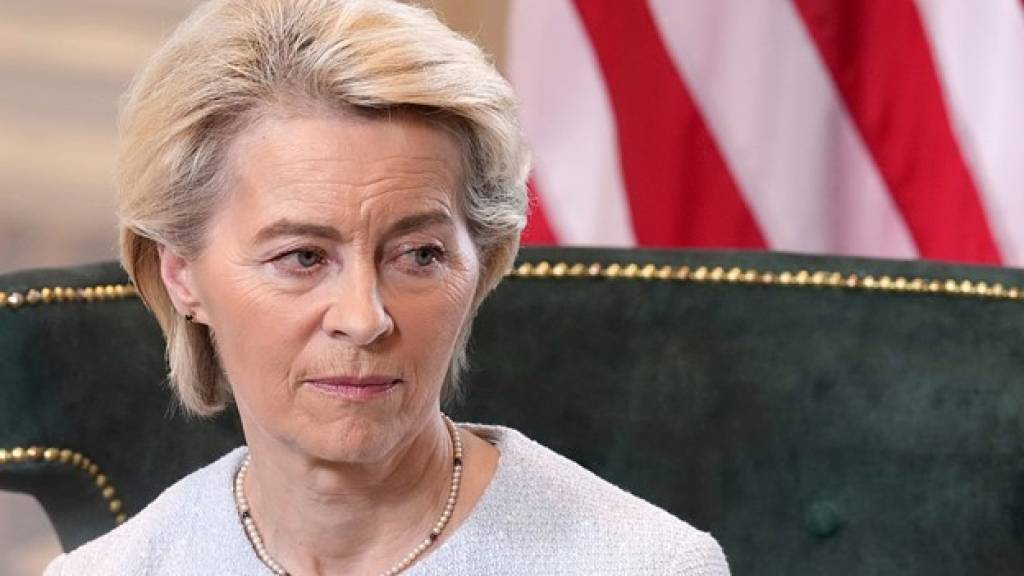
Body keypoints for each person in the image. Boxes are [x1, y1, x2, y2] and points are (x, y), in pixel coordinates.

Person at [44, 0, 729, 574]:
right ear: (181, 275)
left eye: (418, 255)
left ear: (484, 262)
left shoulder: (645, 566)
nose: (364, 316)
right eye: (303, 257)